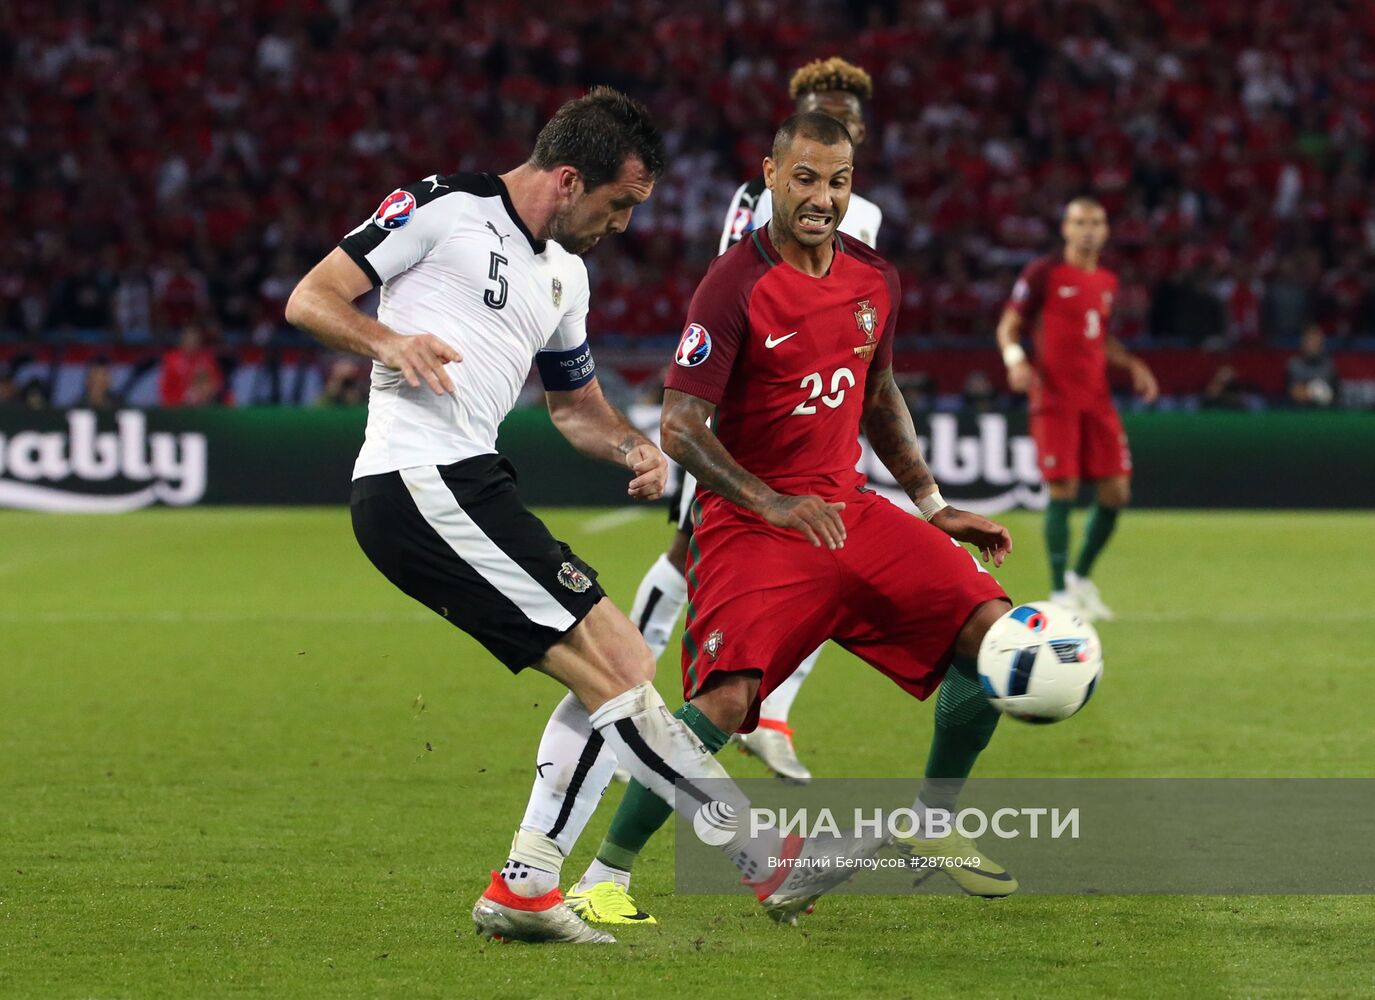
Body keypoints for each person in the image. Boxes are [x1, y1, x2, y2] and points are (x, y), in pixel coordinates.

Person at [285, 88, 860, 946]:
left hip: (469, 481)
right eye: (618, 204)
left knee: (624, 658)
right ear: (566, 178)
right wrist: (387, 342)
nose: (622, 224)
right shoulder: (446, 208)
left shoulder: (565, 273)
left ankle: (526, 886)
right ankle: (759, 856)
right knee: (615, 676)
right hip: (417, 479)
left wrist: (633, 448)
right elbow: (311, 296)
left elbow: (574, 407)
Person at [567, 112, 1021, 927]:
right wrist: (770, 501)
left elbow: (879, 396)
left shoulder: (873, 277)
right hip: (752, 522)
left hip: (850, 511)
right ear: (769, 176)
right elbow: (678, 427)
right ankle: (605, 876)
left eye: (838, 181)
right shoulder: (733, 284)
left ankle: (934, 821)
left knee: (995, 634)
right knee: (727, 701)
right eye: (805, 178)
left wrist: (930, 504)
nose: (821, 197)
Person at [630, 57, 883, 786]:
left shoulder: (859, 208)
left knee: (820, 558)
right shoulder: (758, 194)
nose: (835, 126)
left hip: (820, 403)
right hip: (748, 404)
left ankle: (767, 717)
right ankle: (634, 685)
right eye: (820, 111)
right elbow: (739, 280)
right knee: (693, 547)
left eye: (847, 119)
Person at [997, 197, 1159, 620]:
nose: (1089, 229)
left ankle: (1080, 579)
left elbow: (1100, 339)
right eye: (1080, 222)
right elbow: (1008, 326)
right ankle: (1058, 592)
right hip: (1054, 399)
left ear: (1105, 231)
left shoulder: (1106, 280)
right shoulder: (1043, 273)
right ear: (1066, 228)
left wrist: (1134, 365)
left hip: (1097, 400)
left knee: (1116, 490)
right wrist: (1016, 361)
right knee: (1063, 489)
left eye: (1097, 223)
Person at [1285, 324, 1339, 407]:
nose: (1312, 345)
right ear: (1303, 343)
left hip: (1323, 413)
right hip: (1297, 413)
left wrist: (1309, 392)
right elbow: (1293, 392)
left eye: (1316, 341)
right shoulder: (1294, 364)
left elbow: (1334, 395)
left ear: (1321, 344)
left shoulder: (1328, 365)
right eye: (1310, 341)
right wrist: (1315, 392)